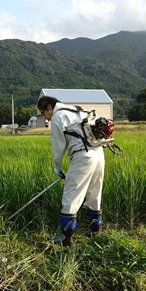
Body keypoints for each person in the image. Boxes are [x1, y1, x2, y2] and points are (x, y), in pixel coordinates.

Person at [37, 95, 106, 246]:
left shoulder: (58, 117)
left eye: (43, 113)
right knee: (94, 193)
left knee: (70, 196)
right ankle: (94, 231)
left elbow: (58, 146)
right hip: (99, 153)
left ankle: (65, 238)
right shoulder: (77, 110)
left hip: (83, 156)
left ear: (49, 107)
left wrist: (58, 167)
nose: (46, 117)